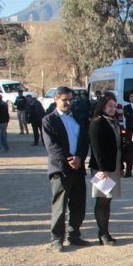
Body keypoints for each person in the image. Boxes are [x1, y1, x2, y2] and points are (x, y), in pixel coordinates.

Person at [43, 86, 90, 252]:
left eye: (70, 100)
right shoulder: (49, 120)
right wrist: (70, 158)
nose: (68, 103)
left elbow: (84, 140)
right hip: (61, 168)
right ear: (56, 100)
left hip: (78, 167)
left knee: (78, 204)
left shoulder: (77, 118)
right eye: (65, 100)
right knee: (60, 205)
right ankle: (56, 238)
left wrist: (80, 158)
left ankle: (74, 234)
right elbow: (52, 146)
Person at [88, 92, 122, 245]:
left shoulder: (113, 121)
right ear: (102, 106)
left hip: (112, 166)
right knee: (102, 200)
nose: (112, 109)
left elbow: (118, 146)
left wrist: (121, 165)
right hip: (101, 169)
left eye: (114, 106)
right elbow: (97, 148)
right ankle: (103, 233)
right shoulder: (97, 122)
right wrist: (103, 169)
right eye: (110, 106)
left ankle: (105, 231)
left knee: (108, 200)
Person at [122, 91, 133, 177]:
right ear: (129, 98)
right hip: (130, 133)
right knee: (130, 152)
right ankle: (128, 171)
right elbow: (128, 117)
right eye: (132, 96)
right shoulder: (126, 107)